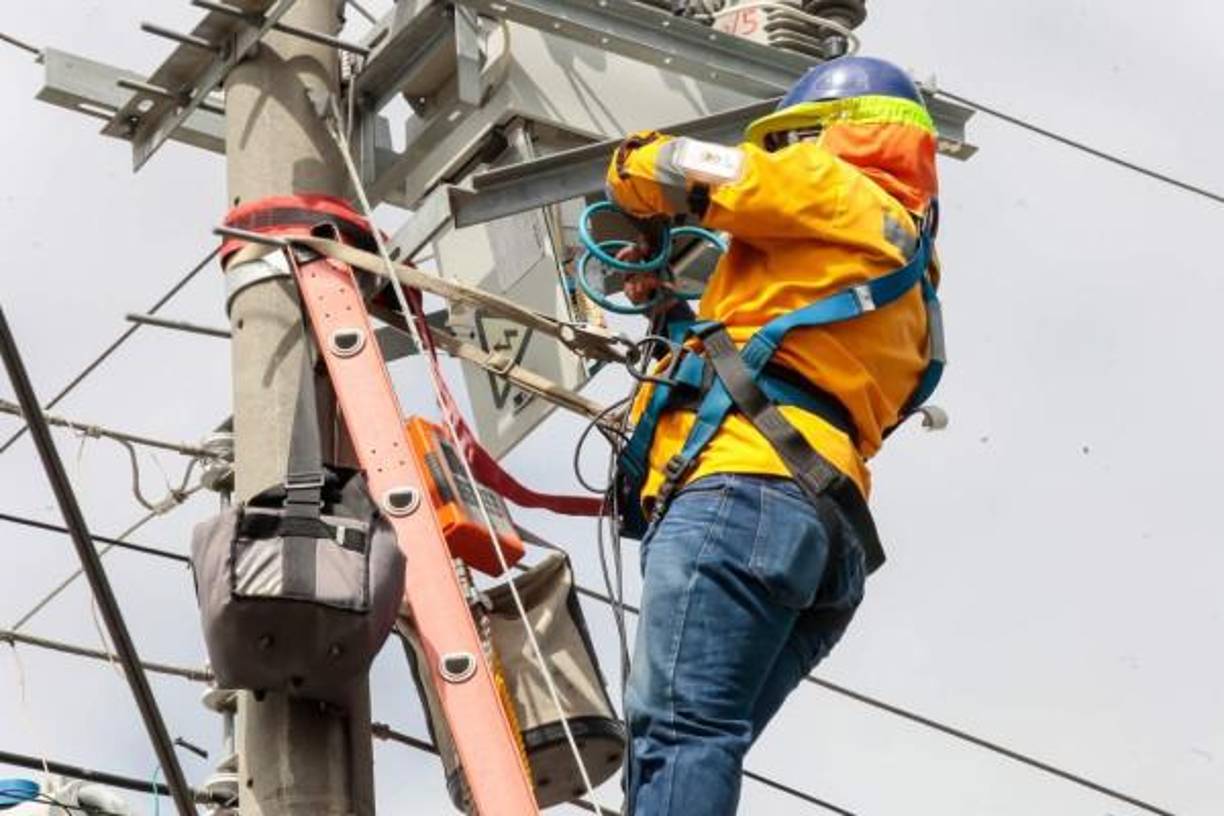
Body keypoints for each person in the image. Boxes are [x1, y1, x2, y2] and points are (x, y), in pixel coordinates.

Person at [602, 56, 943, 814]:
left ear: (825, 134)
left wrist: (631, 173)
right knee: (679, 749)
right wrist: (677, 308)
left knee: (681, 734)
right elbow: (793, 365)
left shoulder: (828, 187)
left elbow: (668, 164)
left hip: (745, 493)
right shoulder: (915, 283)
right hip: (827, 534)